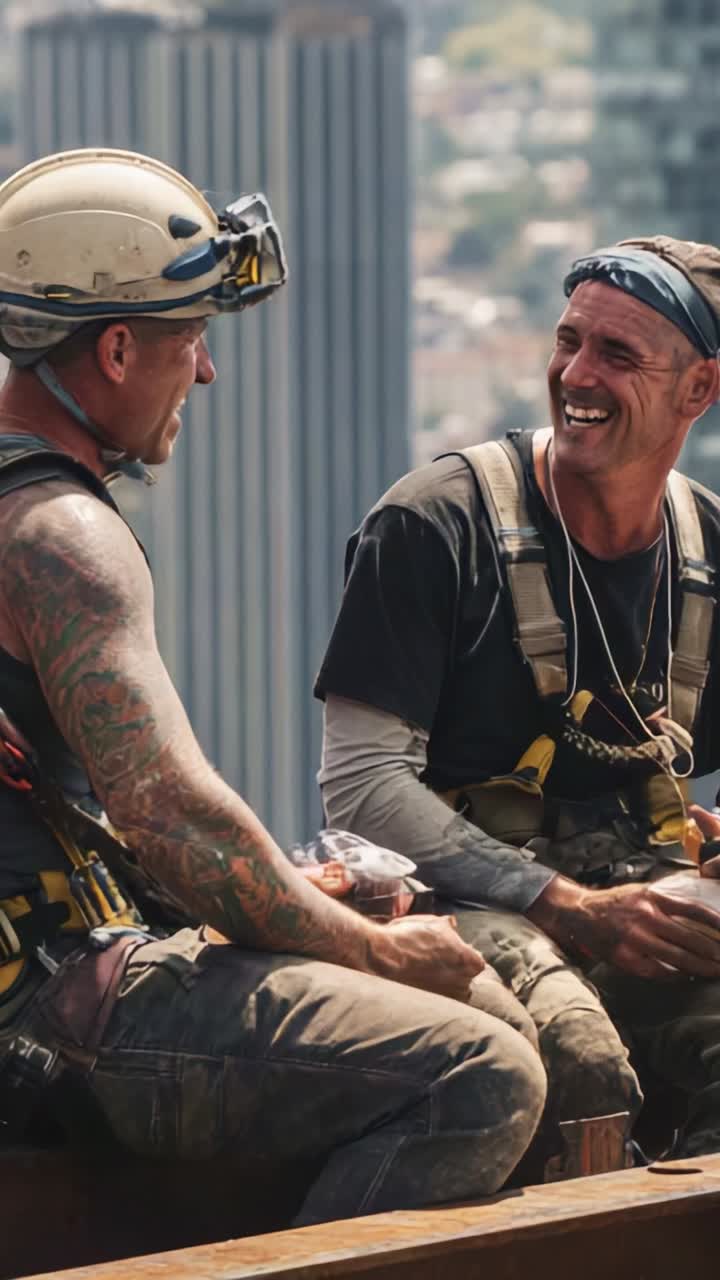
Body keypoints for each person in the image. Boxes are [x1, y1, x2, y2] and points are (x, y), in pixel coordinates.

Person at [0, 147, 545, 1226]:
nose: (203, 373)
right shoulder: (61, 535)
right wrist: (374, 945)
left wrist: (302, 905)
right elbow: (173, 817)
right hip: (53, 1004)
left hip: (55, 969)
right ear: (115, 347)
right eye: (190, 336)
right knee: (486, 1071)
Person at [316, 234, 720, 1167]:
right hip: (458, 903)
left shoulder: (704, 552)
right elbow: (362, 784)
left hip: (646, 900)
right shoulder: (434, 526)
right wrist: (570, 905)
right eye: (568, 341)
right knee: (573, 1056)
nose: (576, 374)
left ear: (698, 390)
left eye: (618, 356)